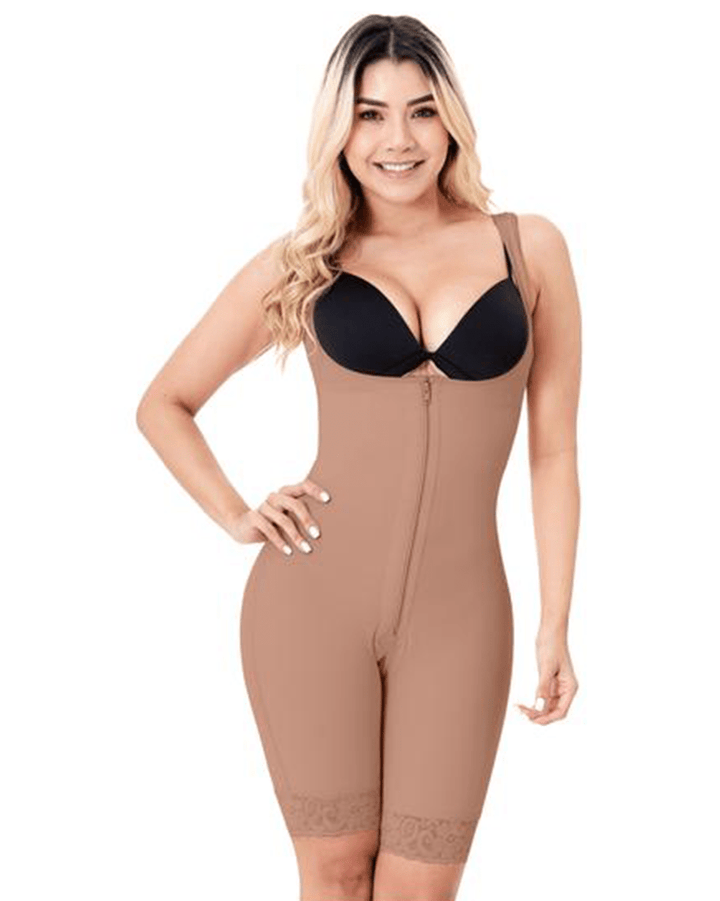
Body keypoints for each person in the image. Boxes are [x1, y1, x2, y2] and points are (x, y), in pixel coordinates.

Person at [136, 14, 581, 901]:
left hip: (462, 618)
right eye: (370, 114)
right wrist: (237, 513)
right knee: (336, 879)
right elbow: (164, 403)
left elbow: (555, 450)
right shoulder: (306, 262)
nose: (398, 140)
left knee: (421, 889)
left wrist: (555, 621)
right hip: (310, 605)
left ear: (451, 119)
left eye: (421, 111)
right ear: (339, 130)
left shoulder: (528, 248)